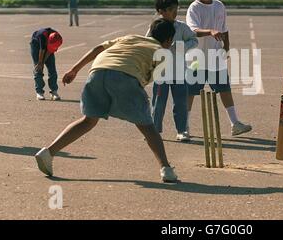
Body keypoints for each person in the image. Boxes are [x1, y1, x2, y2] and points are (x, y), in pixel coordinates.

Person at [34, 19, 179, 183]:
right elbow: (150, 78)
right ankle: (166, 169)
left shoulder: (129, 37)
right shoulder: (162, 51)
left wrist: (75, 69)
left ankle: (48, 153)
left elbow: (98, 49)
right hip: (125, 75)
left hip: (97, 71)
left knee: (88, 121)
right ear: (168, 40)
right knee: (147, 125)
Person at [185, 0, 252, 136]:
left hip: (216, 56)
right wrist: (210, 31)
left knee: (224, 89)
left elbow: (224, 29)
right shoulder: (194, 8)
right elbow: (193, 31)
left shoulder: (219, 6)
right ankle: (184, 126)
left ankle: (235, 123)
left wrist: (226, 49)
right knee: (191, 92)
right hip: (196, 58)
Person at [147, 0, 198, 142]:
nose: (175, 12)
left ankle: (182, 130)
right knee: (158, 103)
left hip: (179, 72)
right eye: (170, 10)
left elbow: (194, 40)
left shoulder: (181, 27)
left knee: (181, 103)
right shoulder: (154, 27)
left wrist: (181, 47)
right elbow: (147, 43)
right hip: (161, 72)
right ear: (160, 11)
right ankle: (154, 130)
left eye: (176, 9)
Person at [30, 28, 63, 101]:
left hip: (48, 45)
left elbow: (49, 51)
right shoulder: (42, 36)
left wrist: (43, 61)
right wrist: (40, 63)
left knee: (52, 70)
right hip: (36, 45)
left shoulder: (58, 38)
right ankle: (39, 92)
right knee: (38, 69)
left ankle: (54, 91)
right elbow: (42, 50)